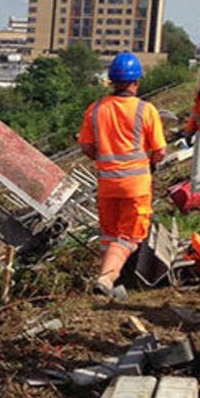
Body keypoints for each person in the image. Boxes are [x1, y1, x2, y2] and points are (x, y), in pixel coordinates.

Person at [78, 52, 167, 298]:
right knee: (129, 235)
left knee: (110, 236)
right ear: (136, 82)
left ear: (112, 81)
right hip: (135, 186)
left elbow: (86, 146)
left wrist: (105, 160)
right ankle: (107, 280)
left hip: (107, 185)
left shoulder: (95, 110)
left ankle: (117, 285)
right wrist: (149, 163)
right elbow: (159, 150)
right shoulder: (145, 110)